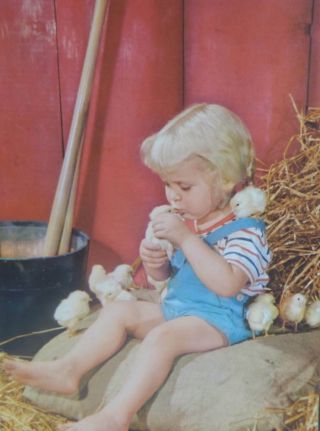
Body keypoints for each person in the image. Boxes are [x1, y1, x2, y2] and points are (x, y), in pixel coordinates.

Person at [4, 103, 271, 431]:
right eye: (167, 185)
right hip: (179, 308)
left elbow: (228, 284)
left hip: (218, 320)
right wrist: (155, 263)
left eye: (184, 187)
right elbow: (169, 278)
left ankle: (115, 416)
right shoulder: (188, 221)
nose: (173, 196)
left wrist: (186, 240)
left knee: (162, 338)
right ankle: (68, 370)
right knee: (117, 310)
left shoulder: (245, 231)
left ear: (228, 179)